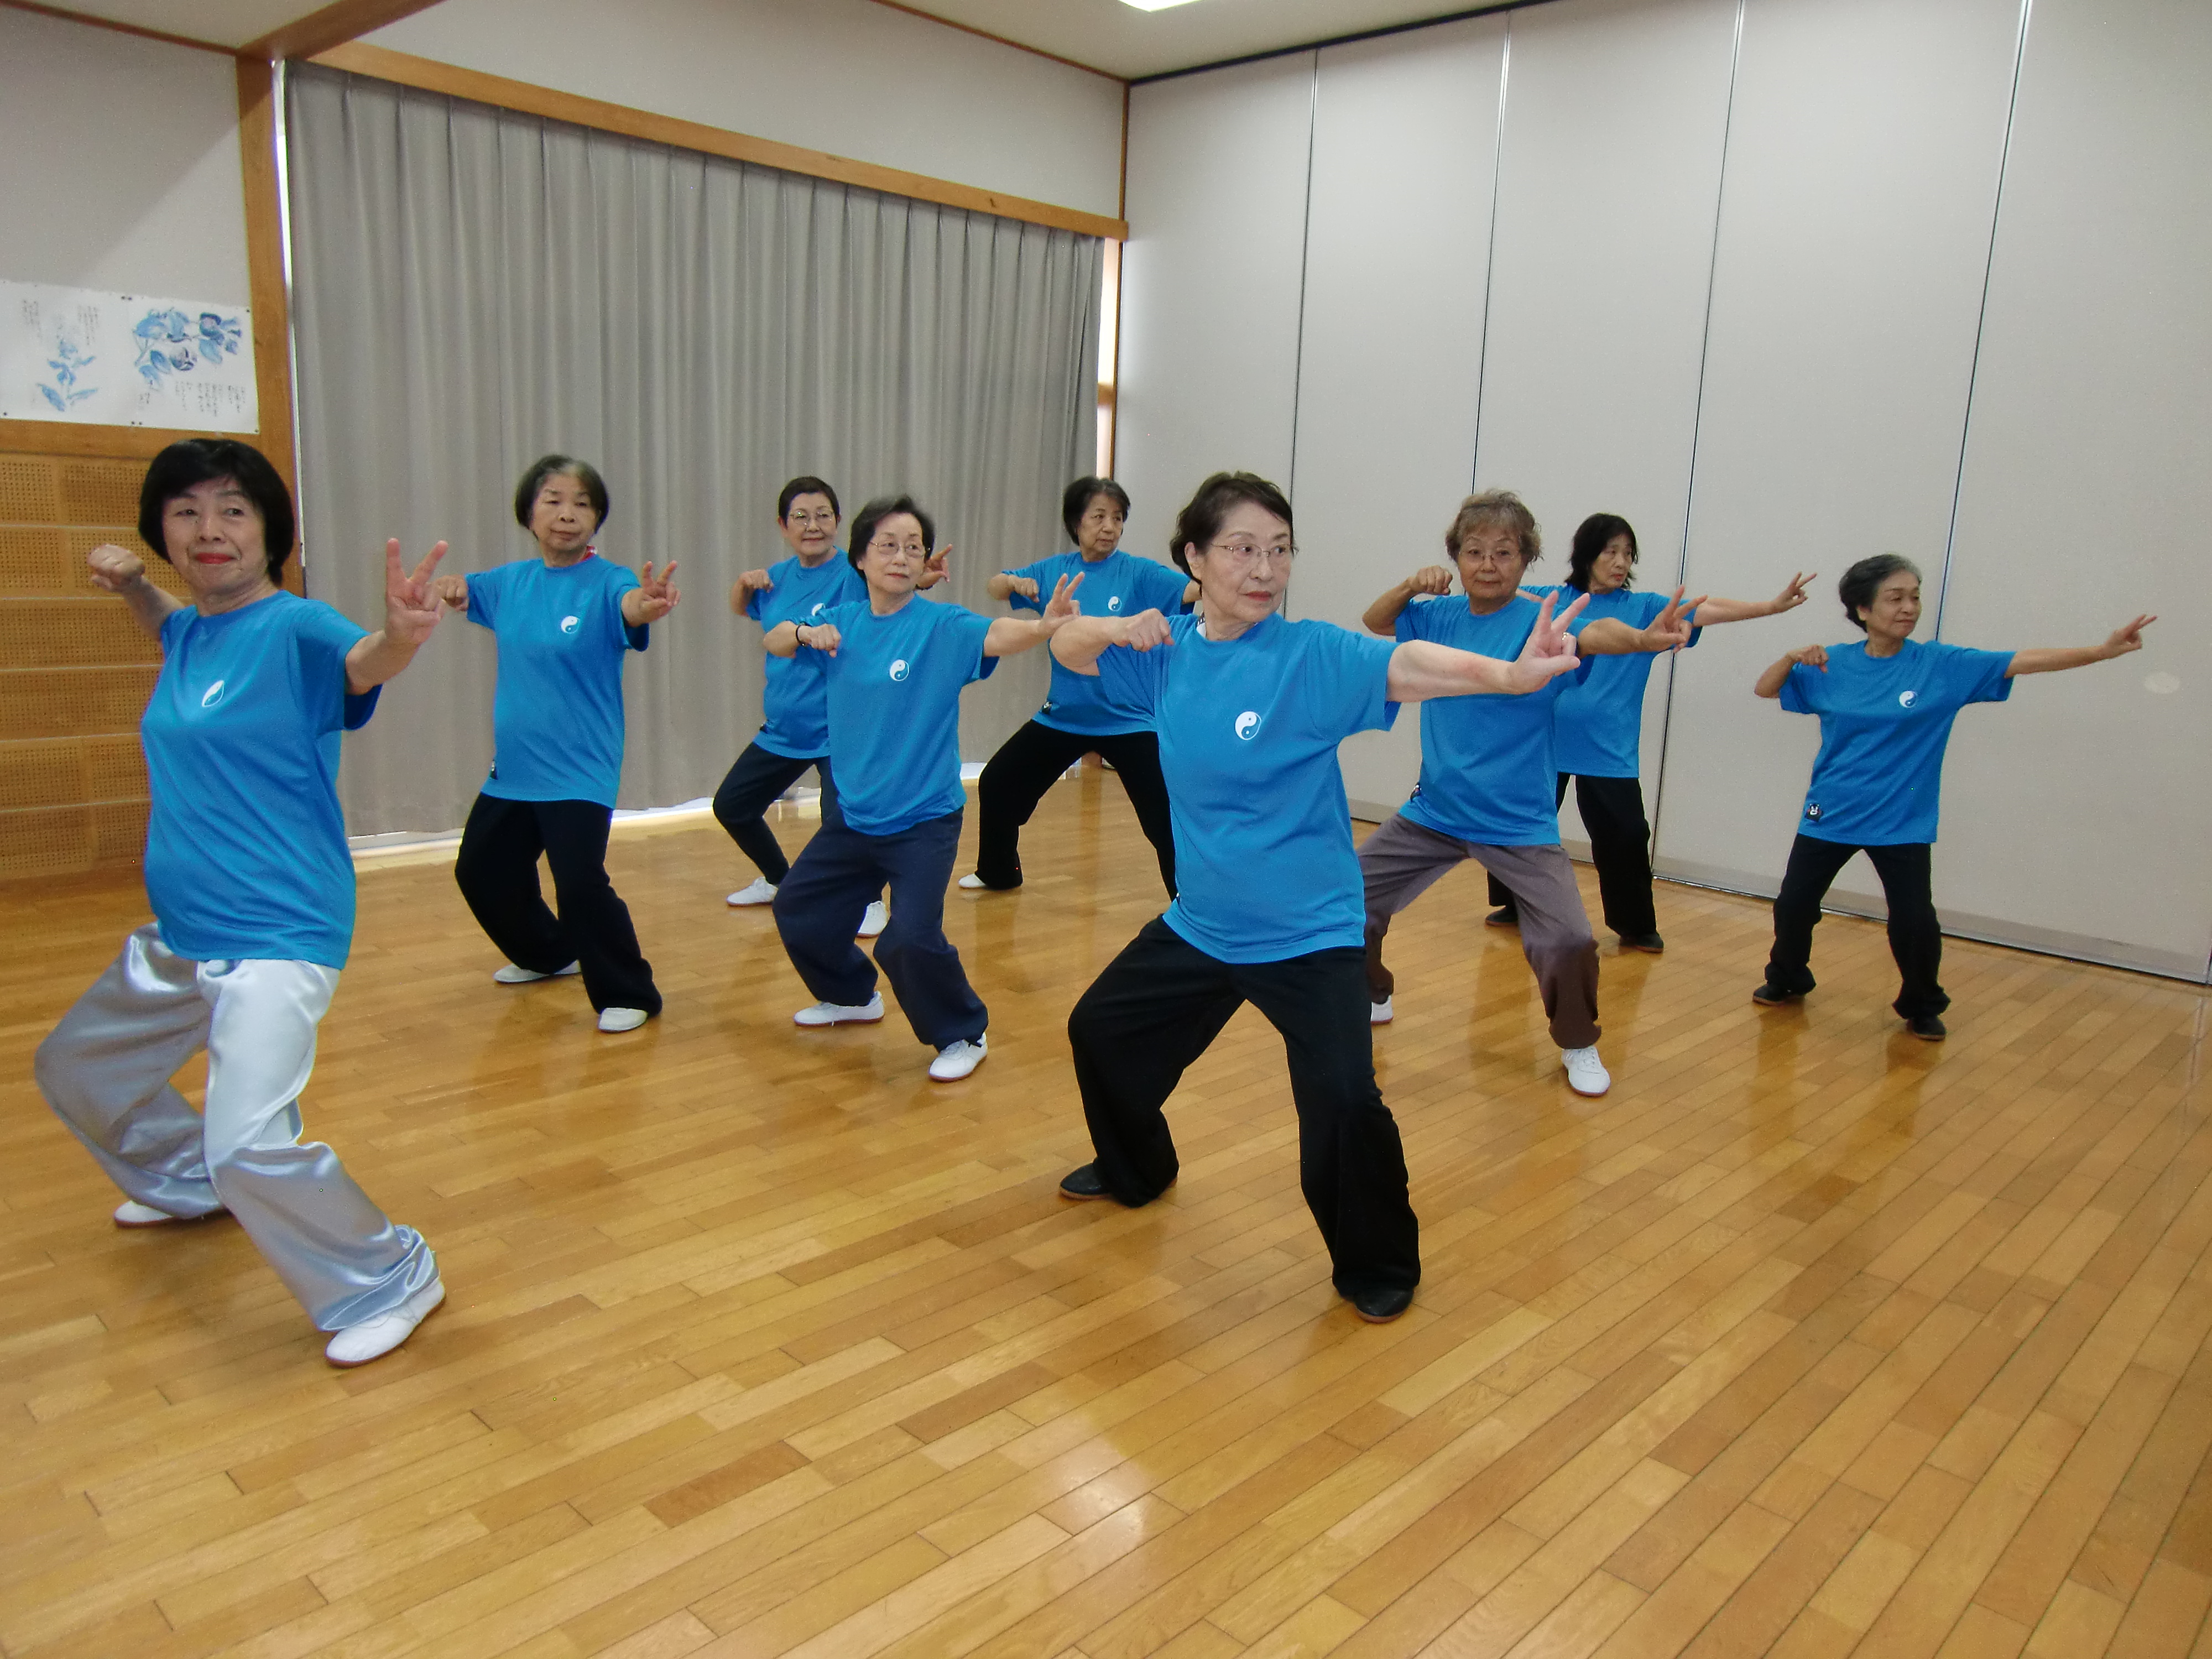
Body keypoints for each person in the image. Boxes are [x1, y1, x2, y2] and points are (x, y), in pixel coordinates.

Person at [1050, 472, 1588, 1325]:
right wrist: (1119, 625)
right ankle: (1137, 1168)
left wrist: (1511, 676)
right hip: (1203, 924)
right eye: (1242, 549)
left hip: (1308, 934)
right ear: (1194, 557)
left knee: (1343, 1101)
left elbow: (1406, 664)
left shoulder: (1309, 656)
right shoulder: (1168, 655)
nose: (1265, 569)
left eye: (1280, 549)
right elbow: (1069, 648)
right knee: (1100, 1032)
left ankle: (1377, 1262)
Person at [33, 439, 447, 1368]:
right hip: (185, 933)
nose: (209, 529)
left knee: (251, 1143)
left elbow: (363, 661)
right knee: (77, 1069)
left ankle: (390, 1275)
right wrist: (132, 586)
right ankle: (188, 1180)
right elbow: (173, 626)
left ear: (270, 529)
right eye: (186, 512)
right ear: (163, 531)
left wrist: (402, 638)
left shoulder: (297, 628)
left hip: (276, 931)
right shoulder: (192, 630)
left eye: (232, 509)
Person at [1357, 492, 1694, 1097]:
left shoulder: (1543, 619)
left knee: (1569, 940)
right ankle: (1371, 990)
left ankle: (1578, 1041)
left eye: (1504, 553)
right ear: (1457, 559)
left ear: (1526, 559)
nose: (1488, 565)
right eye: (1474, 552)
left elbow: (1598, 635)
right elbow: (1375, 621)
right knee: (1345, 900)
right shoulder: (1436, 616)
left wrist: (1643, 641)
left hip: (1519, 824)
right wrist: (1410, 585)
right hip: (1434, 811)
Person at [1752, 555, 2153, 1040]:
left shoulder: (1941, 666)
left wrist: (2101, 651)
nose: (1909, 608)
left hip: (1901, 820)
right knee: (1794, 905)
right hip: (1830, 811)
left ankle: (1922, 1004)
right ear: (1862, 610)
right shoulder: (1830, 664)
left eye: (1915, 597)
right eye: (1895, 598)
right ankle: (1788, 977)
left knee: (1915, 922)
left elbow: (2020, 661)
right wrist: (1790, 657)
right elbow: (1765, 689)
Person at [766, 494, 1081, 1081]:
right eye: (887, 545)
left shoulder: (941, 626)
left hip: (923, 821)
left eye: (914, 548)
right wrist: (807, 634)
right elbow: (776, 638)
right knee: (797, 908)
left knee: (908, 938)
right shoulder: (841, 623)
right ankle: (852, 996)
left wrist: (1042, 627)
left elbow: (995, 634)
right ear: (860, 558)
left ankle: (964, 1031)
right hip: (855, 817)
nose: (901, 557)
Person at [1487, 512, 1813, 951]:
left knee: (1625, 835)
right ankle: (1513, 903)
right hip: (1543, 739)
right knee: (1518, 823)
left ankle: (1636, 926)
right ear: (1587, 555)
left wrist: (1771, 606)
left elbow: (1706, 609)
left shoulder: (1643, 609)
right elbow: (1508, 597)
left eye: (1628, 554)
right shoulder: (1554, 599)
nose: (1621, 562)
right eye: (1611, 552)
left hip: (1607, 747)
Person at [433, 456, 680, 1033]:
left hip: (579, 767)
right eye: (554, 501)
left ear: (596, 519)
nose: (568, 514)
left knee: (579, 883)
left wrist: (645, 605)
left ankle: (631, 992)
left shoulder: (610, 583)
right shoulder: (509, 582)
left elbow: (631, 606)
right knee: (480, 870)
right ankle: (549, 953)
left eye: (582, 504)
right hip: (516, 768)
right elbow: (464, 591)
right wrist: (449, 588)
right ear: (529, 513)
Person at [717, 475, 943, 933]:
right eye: (800, 517)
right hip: (785, 728)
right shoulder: (778, 578)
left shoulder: (854, 573)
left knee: (844, 825)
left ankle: (870, 901)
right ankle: (778, 878)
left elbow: (891, 592)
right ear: (783, 525)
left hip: (839, 732)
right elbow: (749, 613)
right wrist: (743, 585)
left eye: (823, 515)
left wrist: (920, 579)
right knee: (732, 805)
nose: (813, 525)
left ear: (838, 521)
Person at [961, 477, 1197, 895]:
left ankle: (1189, 901)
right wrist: (1014, 584)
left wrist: (1218, 569)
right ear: (1076, 523)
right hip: (1064, 715)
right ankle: (999, 871)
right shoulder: (1056, 571)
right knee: (997, 782)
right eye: (1099, 517)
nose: (1109, 527)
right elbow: (995, 585)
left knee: (1165, 817)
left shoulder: (1139, 573)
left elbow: (1192, 590)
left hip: (1128, 720)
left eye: (1118, 519)